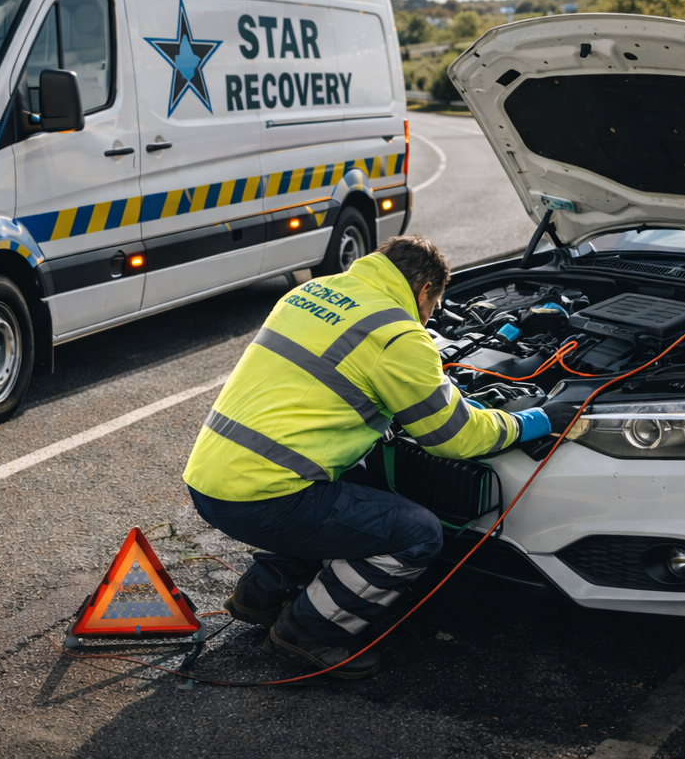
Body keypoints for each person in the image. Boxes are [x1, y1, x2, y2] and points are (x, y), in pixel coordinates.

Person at [183, 234, 551, 679]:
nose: (430, 315)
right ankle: (310, 632)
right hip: (264, 500)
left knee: (355, 491)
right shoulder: (397, 335)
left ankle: (259, 595)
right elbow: (454, 437)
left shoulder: (311, 293)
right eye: (433, 305)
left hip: (211, 477)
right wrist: (535, 420)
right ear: (423, 292)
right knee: (415, 534)